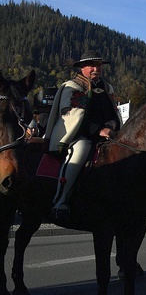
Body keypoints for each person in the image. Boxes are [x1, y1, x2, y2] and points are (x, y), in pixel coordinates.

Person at [44, 49, 121, 219]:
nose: (96, 68)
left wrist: (112, 124)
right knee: (80, 152)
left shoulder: (107, 88)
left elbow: (113, 112)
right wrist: (97, 130)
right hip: (81, 135)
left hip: (108, 134)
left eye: (99, 65)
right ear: (82, 68)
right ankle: (60, 201)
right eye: (92, 65)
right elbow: (73, 115)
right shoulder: (73, 86)